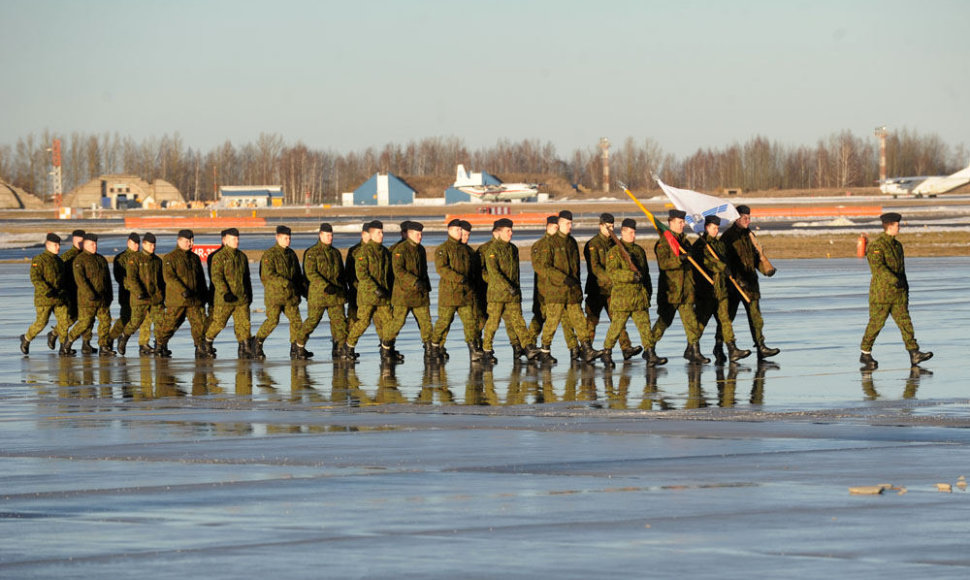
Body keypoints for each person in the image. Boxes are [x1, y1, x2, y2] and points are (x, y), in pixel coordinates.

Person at [859, 212, 933, 370]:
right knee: (876, 324)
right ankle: (865, 353)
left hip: (898, 294)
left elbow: (901, 270)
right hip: (882, 295)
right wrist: (894, 280)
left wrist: (905, 288)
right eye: (897, 225)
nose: (899, 227)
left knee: (905, 323)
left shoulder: (897, 246)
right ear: (889, 226)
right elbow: (878, 269)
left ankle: (914, 352)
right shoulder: (877, 246)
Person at [536, 210, 602, 364]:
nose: (570, 226)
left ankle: (586, 349)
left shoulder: (571, 242)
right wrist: (563, 279)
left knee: (579, 320)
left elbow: (576, 268)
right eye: (567, 223)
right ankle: (545, 351)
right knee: (552, 322)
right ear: (559, 225)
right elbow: (545, 268)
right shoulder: (549, 243)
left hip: (572, 291)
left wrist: (577, 287)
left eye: (571, 223)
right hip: (556, 290)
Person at [600, 219, 666, 368]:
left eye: (634, 232)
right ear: (622, 232)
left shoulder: (639, 250)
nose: (633, 235)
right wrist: (630, 276)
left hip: (639, 298)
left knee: (645, 327)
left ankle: (650, 353)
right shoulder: (614, 252)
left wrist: (648, 293)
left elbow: (646, 274)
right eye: (630, 232)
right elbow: (612, 273)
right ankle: (607, 352)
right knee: (616, 328)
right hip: (623, 299)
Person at [721, 205, 780, 359]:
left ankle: (761, 346)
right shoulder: (728, 237)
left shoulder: (750, 235)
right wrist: (730, 276)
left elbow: (755, 258)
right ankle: (719, 346)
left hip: (750, 284)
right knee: (728, 318)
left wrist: (766, 270)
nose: (747, 220)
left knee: (756, 317)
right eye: (744, 217)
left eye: (749, 217)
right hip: (734, 285)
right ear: (736, 218)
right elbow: (722, 260)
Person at [691, 215, 751, 364]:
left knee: (725, 320)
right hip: (705, 291)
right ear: (706, 228)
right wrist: (722, 267)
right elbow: (707, 263)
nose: (716, 231)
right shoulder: (700, 245)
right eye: (713, 228)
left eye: (717, 228)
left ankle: (731, 349)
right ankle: (691, 348)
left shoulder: (718, 245)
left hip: (720, 290)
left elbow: (725, 261)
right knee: (701, 322)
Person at [650, 209, 707, 363]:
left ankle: (694, 351)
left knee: (691, 323)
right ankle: (649, 349)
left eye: (683, 222)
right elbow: (664, 264)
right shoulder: (664, 242)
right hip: (671, 291)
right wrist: (680, 259)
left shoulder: (685, 242)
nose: (682, 225)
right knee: (664, 321)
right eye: (679, 222)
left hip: (686, 290)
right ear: (670, 223)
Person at [480, 218, 540, 363]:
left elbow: (516, 273)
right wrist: (509, 286)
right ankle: (487, 350)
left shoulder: (513, 249)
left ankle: (527, 347)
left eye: (511, 230)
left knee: (518, 321)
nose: (511, 233)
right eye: (508, 231)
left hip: (513, 294)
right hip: (497, 294)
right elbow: (494, 273)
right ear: (498, 233)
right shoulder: (492, 251)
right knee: (493, 323)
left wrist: (516, 290)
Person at [584, 213, 641, 361]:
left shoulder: (615, 244)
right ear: (600, 226)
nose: (610, 229)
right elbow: (595, 268)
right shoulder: (593, 244)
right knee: (591, 321)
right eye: (607, 226)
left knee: (617, 319)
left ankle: (626, 348)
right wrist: (611, 278)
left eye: (612, 226)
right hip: (597, 288)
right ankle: (586, 349)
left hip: (612, 291)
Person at [429, 219, 485, 362]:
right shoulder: (443, 249)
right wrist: (459, 278)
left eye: (461, 230)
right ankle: (434, 346)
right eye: (456, 230)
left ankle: (473, 350)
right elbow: (442, 269)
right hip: (449, 294)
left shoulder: (466, 250)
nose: (459, 233)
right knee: (444, 322)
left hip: (465, 295)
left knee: (470, 322)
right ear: (449, 231)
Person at [345, 220, 396, 362]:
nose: (381, 235)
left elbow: (389, 275)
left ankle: (387, 349)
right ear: (371, 235)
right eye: (378, 233)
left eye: (382, 232)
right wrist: (375, 289)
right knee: (363, 322)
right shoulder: (363, 252)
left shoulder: (385, 252)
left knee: (390, 322)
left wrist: (390, 291)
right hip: (368, 296)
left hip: (383, 296)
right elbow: (362, 275)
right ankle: (349, 347)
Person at [254, 225, 308, 360]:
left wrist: (304, 290)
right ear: (277, 238)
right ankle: (257, 344)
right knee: (273, 320)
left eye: (289, 238)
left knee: (296, 321)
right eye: (285, 238)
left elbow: (297, 275)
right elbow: (267, 275)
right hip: (275, 296)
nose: (288, 241)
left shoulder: (291, 254)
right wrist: (284, 283)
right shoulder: (269, 255)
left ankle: (296, 348)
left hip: (291, 296)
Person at [386, 220, 435, 361]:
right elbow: (398, 271)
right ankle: (386, 347)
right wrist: (414, 281)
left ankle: (429, 349)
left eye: (421, 234)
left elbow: (424, 270)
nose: (420, 236)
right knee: (398, 322)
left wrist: (426, 287)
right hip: (403, 294)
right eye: (418, 234)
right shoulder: (400, 250)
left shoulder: (421, 249)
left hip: (420, 294)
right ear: (409, 234)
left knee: (426, 322)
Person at [203, 228, 254, 359]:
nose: (236, 241)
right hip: (225, 299)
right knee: (219, 323)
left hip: (241, 298)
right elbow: (216, 277)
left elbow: (246, 277)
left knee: (244, 323)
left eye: (237, 238)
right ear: (225, 240)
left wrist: (249, 294)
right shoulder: (219, 257)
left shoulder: (242, 256)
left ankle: (246, 347)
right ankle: (207, 342)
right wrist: (225, 292)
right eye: (233, 239)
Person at [156, 229, 208, 358]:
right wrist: (182, 290)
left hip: (194, 299)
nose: (189, 243)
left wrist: (205, 294)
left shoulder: (194, 258)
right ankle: (160, 344)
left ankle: (200, 347)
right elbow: (169, 277)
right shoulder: (170, 258)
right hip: (177, 300)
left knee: (199, 324)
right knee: (170, 324)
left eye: (191, 241)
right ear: (179, 241)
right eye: (186, 241)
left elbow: (200, 278)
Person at [301, 222, 349, 360]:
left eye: (331, 235)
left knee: (340, 322)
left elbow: (341, 274)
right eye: (327, 235)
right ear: (320, 235)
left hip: (335, 295)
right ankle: (298, 345)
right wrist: (324, 286)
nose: (330, 238)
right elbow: (310, 273)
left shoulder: (335, 253)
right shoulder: (312, 253)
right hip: (319, 295)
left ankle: (340, 348)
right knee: (312, 321)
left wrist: (344, 291)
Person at [64, 233, 114, 356]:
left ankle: (103, 346)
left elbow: (107, 279)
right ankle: (68, 341)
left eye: (96, 243)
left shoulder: (101, 259)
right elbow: (81, 280)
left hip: (102, 299)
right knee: (85, 323)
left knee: (106, 321)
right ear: (85, 244)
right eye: (92, 244)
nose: (95, 246)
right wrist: (90, 293)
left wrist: (110, 296)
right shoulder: (79, 260)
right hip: (87, 300)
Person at [20, 233, 69, 355]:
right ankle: (26, 339)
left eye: (59, 245)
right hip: (44, 298)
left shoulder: (59, 261)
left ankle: (64, 347)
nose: (58, 247)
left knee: (64, 321)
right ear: (47, 245)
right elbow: (35, 278)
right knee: (41, 323)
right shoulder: (39, 259)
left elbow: (63, 280)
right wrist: (47, 290)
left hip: (59, 298)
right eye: (55, 245)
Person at [116, 232, 164, 356]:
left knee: (160, 321)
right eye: (150, 245)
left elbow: (161, 280)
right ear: (144, 244)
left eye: (154, 245)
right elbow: (132, 279)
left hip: (155, 298)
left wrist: (162, 295)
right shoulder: (134, 259)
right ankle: (124, 337)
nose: (153, 247)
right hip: (140, 298)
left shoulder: (157, 261)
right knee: (135, 322)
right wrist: (139, 292)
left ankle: (159, 346)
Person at [108, 233, 140, 346]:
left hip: (142, 294)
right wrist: (134, 287)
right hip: (127, 293)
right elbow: (119, 277)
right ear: (128, 243)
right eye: (134, 243)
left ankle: (143, 343)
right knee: (126, 317)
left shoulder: (142, 257)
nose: (136, 246)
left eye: (138, 243)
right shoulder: (121, 258)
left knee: (145, 318)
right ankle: (111, 338)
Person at [343, 223, 370, 327]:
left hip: (374, 292)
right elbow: (349, 272)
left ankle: (385, 342)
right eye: (369, 234)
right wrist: (356, 286)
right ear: (363, 234)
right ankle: (346, 341)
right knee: (353, 319)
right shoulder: (354, 251)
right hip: (356, 290)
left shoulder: (377, 250)